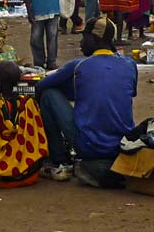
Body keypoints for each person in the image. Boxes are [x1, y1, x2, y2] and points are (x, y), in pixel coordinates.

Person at [36, 17, 136, 187]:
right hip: (122, 144)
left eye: (85, 38)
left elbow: (40, 86)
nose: (81, 43)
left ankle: (59, 159)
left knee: (48, 95)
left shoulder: (78, 65)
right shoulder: (129, 64)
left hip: (90, 146)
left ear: (96, 39)